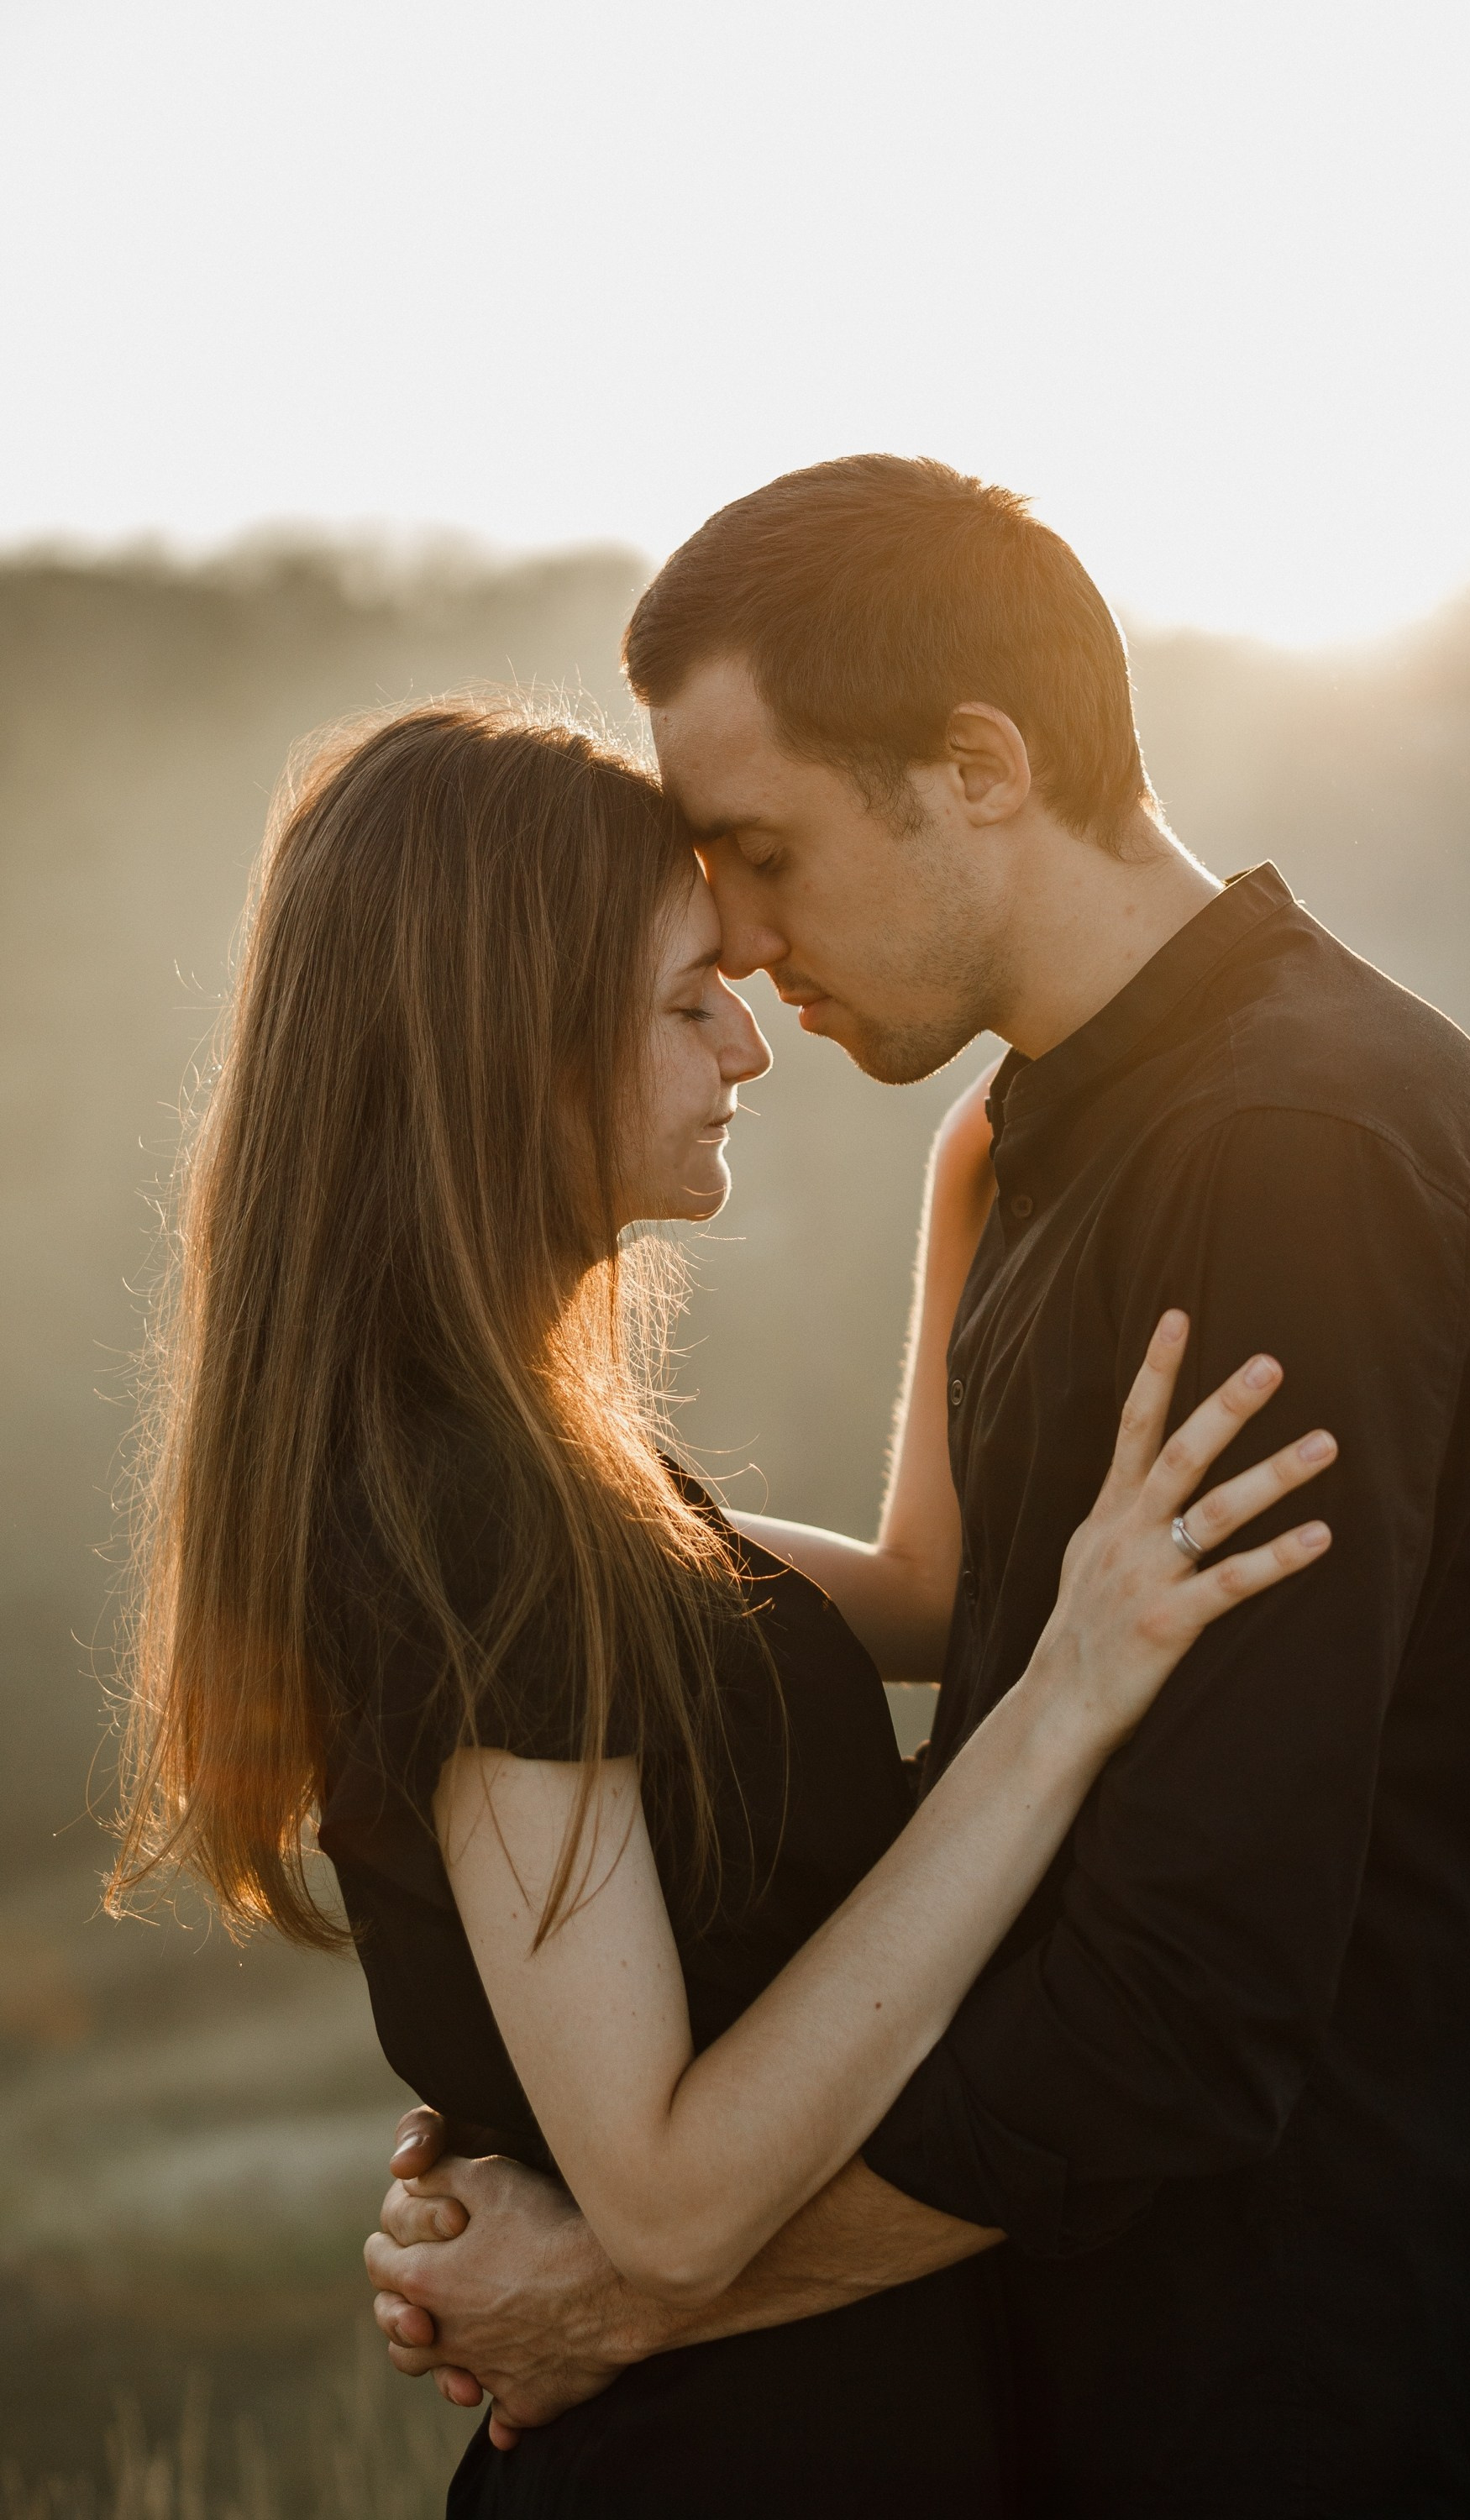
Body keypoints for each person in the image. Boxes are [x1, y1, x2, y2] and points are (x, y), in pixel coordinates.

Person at [370, 459, 1470, 2519]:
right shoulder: (1067, 1127)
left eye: (763, 850)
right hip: (1069, 2371)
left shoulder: (1294, 1158)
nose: (737, 935)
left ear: (977, 767)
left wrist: (639, 2287)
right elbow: (954, 1631)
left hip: (1286, 2395)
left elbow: (1181, 1999)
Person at [105, 696, 1336, 2518]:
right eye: (688, 1003)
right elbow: (669, 2204)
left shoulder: (542, 1482)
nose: (748, 1043)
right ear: (508, 1054)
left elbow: (917, 1596)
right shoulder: (483, 1530)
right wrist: (1062, 1704)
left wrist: (989, 1152)